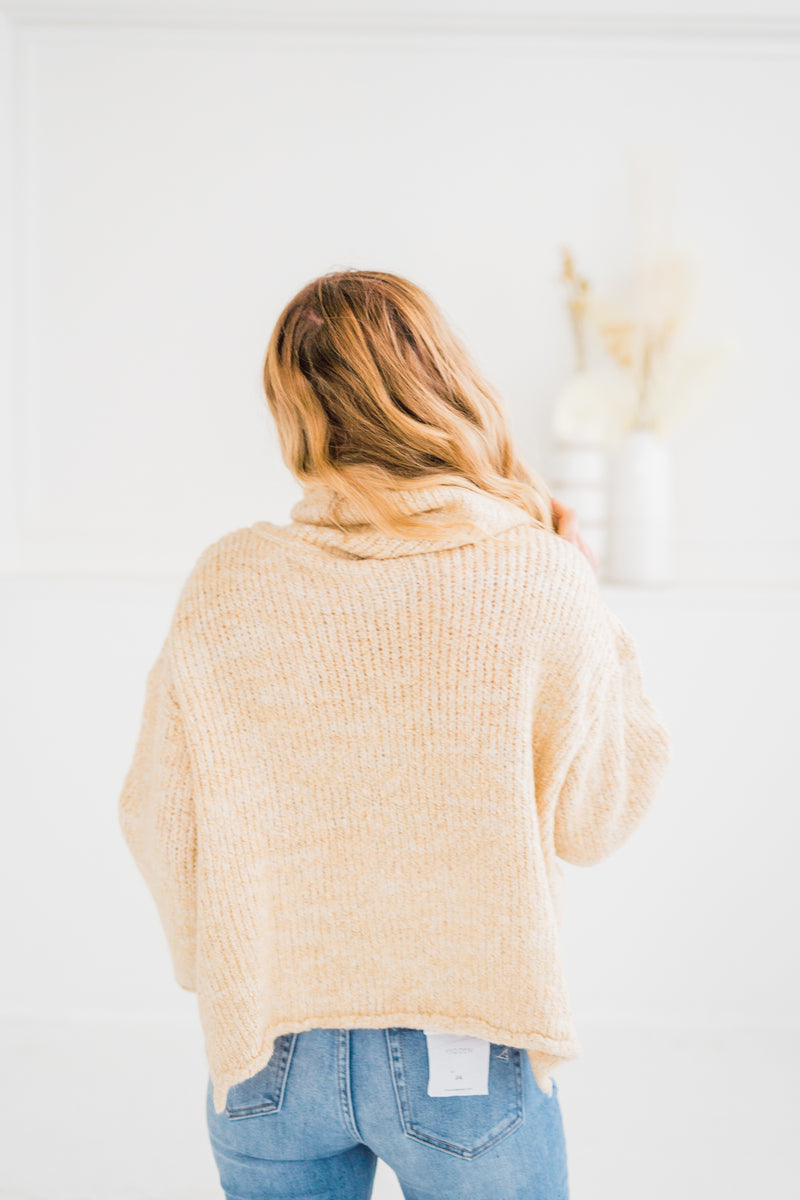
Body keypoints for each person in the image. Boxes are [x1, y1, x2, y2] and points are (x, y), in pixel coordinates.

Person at [118, 268, 672, 1200]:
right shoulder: (538, 575)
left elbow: (155, 817)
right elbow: (598, 818)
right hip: (468, 1039)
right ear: (444, 381)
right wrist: (589, 604)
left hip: (268, 1046)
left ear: (295, 411)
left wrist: (237, 965)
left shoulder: (227, 580)